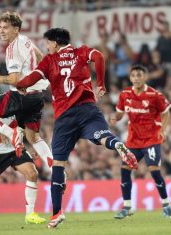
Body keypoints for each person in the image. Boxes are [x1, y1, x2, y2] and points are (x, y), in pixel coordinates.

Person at [15, 28, 138, 228]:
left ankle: (56, 213)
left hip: (65, 117)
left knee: (58, 165)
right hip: (89, 109)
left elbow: (32, 79)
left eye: (48, 43)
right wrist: (101, 83)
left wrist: (19, 85)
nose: (47, 47)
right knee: (103, 136)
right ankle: (117, 145)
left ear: (54, 43)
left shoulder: (49, 60)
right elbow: (98, 56)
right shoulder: (80, 52)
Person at [0, 11, 53, 169]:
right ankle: (55, 169)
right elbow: (42, 57)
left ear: (16, 29)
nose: (2, 31)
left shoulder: (12, 49)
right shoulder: (26, 40)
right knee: (33, 137)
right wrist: (41, 78)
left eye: (6, 27)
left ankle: (11, 133)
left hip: (19, 97)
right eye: (0, 27)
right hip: (36, 97)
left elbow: (14, 79)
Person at [110, 65, 171, 219]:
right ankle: (127, 207)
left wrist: (162, 130)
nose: (136, 78)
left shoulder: (154, 95)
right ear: (130, 78)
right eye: (133, 75)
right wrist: (114, 118)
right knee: (124, 170)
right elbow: (120, 112)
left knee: (154, 170)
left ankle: (166, 205)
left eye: (139, 75)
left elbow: (165, 114)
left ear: (145, 77)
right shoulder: (125, 94)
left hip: (151, 138)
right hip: (133, 140)